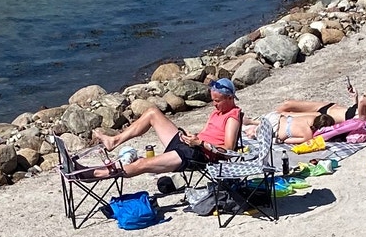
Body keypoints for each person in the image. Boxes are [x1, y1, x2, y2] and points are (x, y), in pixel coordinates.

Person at [81, 77, 244, 180]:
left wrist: (199, 143)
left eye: (218, 101)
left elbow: (228, 150)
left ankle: (91, 173)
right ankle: (114, 140)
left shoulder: (232, 116)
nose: (214, 104)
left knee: (143, 163)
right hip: (190, 145)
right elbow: (211, 135)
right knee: (152, 112)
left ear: (230, 98)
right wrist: (192, 137)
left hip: (198, 156)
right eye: (213, 100)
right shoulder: (219, 112)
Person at [269, 86, 366, 143]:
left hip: (319, 116)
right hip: (328, 106)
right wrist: (354, 98)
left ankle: (260, 125)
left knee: (284, 115)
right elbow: (359, 103)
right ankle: (262, 121)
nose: (362, 97)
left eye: (365, 95)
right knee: (287, 104)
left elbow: (362, 102)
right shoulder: (361, 107)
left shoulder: (364, 117)